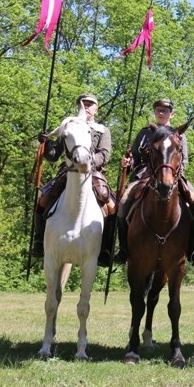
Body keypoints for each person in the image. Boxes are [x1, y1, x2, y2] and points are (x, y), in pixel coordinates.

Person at [113, 98, 194, 266]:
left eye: (165, 110)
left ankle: (192, 249)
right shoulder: (144, 133)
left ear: (172, 113)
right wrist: (128, 163)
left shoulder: (179, 135)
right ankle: (123, 249)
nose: (161, 113)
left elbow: (183, 161)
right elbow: (135, 156)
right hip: (145, 175)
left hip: (173, 177)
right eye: (158, 110)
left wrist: (174, 175)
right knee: (124, 202)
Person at [31, 93, 117, 267]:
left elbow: (105, 154)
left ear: (96, 108)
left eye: (90, 104)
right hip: (69, 171)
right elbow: (54, 155)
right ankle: (39, 241)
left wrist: (90, 161)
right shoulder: (69, 126)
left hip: (93, 172)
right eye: (83, 103)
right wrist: (46, 144)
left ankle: (105, 249)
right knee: (43, 200)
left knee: (113, 207)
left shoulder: (102, 130)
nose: (86, 106)